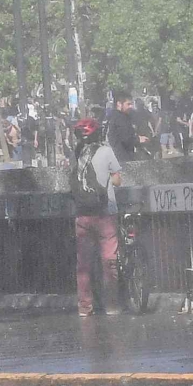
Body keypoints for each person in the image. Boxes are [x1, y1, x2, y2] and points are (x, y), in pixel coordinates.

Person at [71, 118, 122, 318]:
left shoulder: (77, 153)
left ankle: (85, 306)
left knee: (83, 264)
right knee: (108, 260)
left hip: (83, 214)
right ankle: (112, 305)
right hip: (105, 213)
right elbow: (117, 180)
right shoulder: (106, 151)